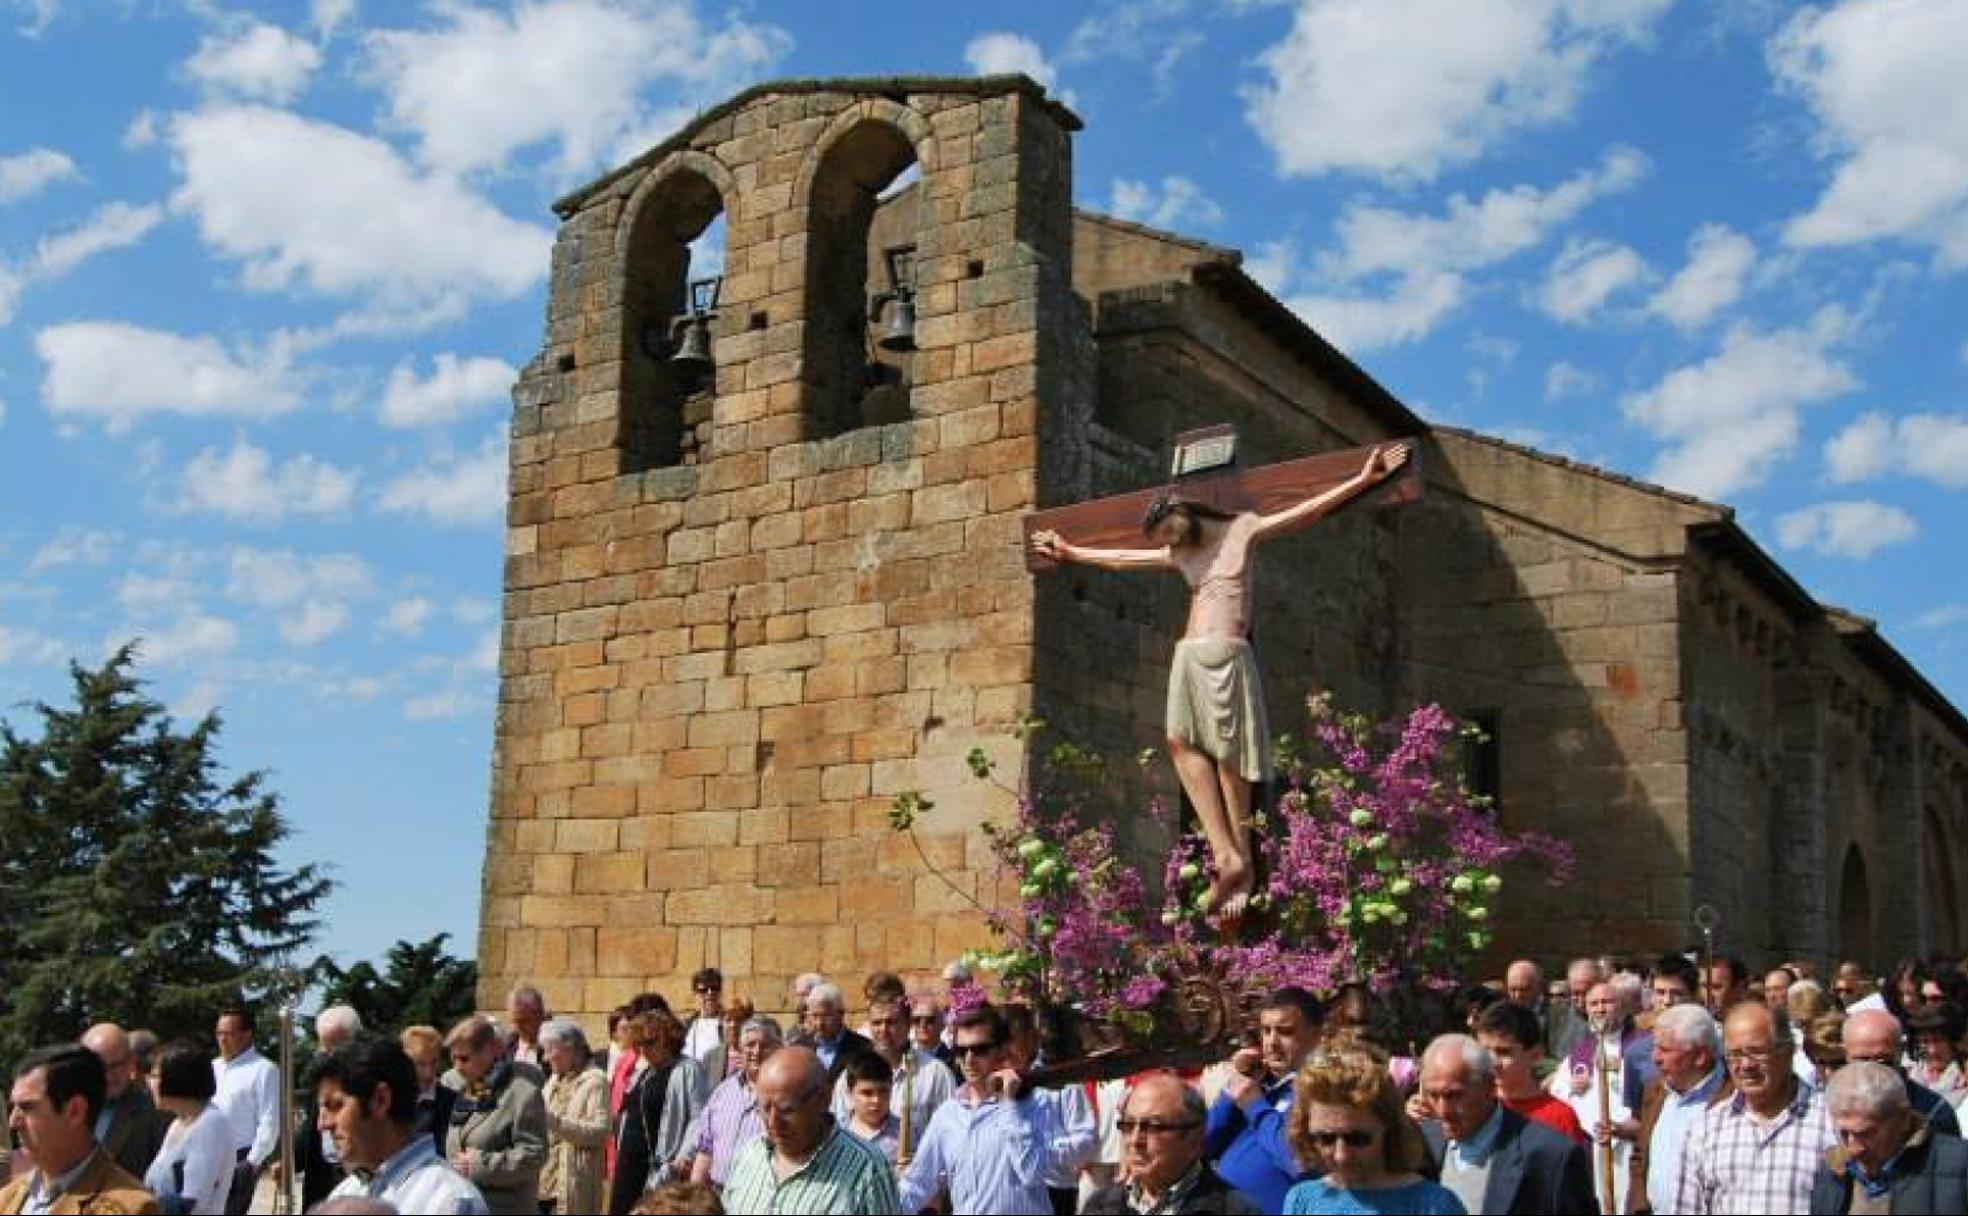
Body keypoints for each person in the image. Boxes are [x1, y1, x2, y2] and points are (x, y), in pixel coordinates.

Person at [1030, 441, 1409, 917]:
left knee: (1231, 756)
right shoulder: (1181, 554)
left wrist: (1363, 480)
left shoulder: (1241, 530)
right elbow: (1122, 560)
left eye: (1169, 527)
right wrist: (1069, 552)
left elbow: (1302, 512)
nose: (1169, 540)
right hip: (1188, 655)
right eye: (1163, 535)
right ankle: (1224, 852)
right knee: (1179, 742)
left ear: (1184, 509)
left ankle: (1243, 862)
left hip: (1229, 655)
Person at [899, 1004, 1096, 1214]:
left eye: (980, 1050)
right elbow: (917, 1185)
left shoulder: (1035, 1104)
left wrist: (1010, 1105)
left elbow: (1031, 1171)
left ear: (1002, 1051)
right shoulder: (947, 1115)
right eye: (961, 1051)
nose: (968, 1059)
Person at [1675, 1001, 1834, 1214]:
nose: (1746, 1065)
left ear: (1787, 1052)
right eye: (1735, 1055)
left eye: (1757, 1052)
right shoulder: (1705, 1128)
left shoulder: (1830, 1122)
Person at [1414, 1034, 1597, 1216]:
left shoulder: (1551, 1156)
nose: (1442, 1110)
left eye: (1454, 1096)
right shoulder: (1421, 1145)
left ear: (1489, 1086)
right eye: (1433, 1095)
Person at [316, 1033, 488, 1215]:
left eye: (335, 1106)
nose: (322, 1124)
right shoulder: (344, 1195)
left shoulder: (449, 1201)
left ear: (381, 1100)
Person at [1281, 1048, 1463, 1215]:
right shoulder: (1302, 1201)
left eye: (1358, 1139)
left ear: (1389, 1128)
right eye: (1326, 1139)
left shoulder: (1434, 1205)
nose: (1341, 1155)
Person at [720, 1047, 901, 1214]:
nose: (773, 1122)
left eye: (786, 1109)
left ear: (823, 1099)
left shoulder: (867, 1169)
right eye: (764, 1108)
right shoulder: (749, 1155)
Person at [1, 1043, 161, 1215]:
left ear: (75, 1111)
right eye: (13, 1107)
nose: (13, 1122)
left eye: (27, 1107)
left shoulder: (129, 1208)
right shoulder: (7, 1197)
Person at [1205, 987, 1326, 1213]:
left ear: (1316, 1036)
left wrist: (1254, 1106)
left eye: (1285, 1031)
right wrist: (1233, 1088)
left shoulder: (1325, 1089)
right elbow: (1200, 1145)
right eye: (1266, 1031)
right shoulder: (1259, 1085)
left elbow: (1298, 1161)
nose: (1271, 1042)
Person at [1081, 1074, 1261, 1215]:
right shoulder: (1101, 1206)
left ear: (1194, 1140)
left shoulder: (1233, 1209)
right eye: (1128, 1125)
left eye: (1153, 1127)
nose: (1135, 1141)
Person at [1809, 1060, 1968, 1214]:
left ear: (1903, 1118)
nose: (1854, 1148)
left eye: (1866, 1134)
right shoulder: (1834, 1173)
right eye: (1844, 1134)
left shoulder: (1957, 1164)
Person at [1624, 1004, 1729, 1216]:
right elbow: (1641, 1155)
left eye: (1665, 1050)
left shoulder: (1733, 1098)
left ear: (1700, 1056)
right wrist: (1637, 1204)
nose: (1655, 1058)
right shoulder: (1654, 1091)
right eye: (1655, 1048)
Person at [443, 1015, 548, 1216]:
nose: (457, 1066)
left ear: (489, 1051)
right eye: (453, 1058)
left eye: (464, 1058)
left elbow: (535, 1155)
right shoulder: (469, 1087)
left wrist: (480, 1165)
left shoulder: (522, 1091)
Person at [611, 1009, 706, 1216]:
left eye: (650, 1042)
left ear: (668, 1039)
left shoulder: (688, 1069)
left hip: (659, 1169)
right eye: (639, 1044)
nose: (643, 1049)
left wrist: (684, 1155)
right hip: (630, 1165)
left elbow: (699, 1117)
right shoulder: (646, 1072)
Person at [684, 1016, 781, 1189]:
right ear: (739, 1049)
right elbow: (705, 1151)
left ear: (779, 1049)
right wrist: (695, 1196)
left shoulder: (786, 1096)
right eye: (750, 1045)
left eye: (765, 1045)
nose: (756, 1051)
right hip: (717, 1195)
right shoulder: (722, 1092)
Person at [1473, 1002, 1586, 1144]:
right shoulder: (1473, 1109)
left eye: (1504, 1052)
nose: (1493, 1062)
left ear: (1535, 1054)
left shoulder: (1559, 1117)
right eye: (1484, 1051)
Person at [142, 1040, 233, 1215]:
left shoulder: (210, 1124)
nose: (149, 1083)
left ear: (177, 1079)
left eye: (154, 1076)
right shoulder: (178, 1123)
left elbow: (191, 1203)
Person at [1842, 1008, 1962, 1136]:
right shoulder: (1831, 1106)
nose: (1873, 1071)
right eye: (1862, 1061)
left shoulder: (1933, 1111)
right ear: (1846, 1055)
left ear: (1900, 1051)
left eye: (1884, 1062)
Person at [79, 1024, 170, 1185]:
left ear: (131, 1062)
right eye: (99, 1067)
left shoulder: (155, 1110)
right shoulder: (68, 1104)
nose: (107, 1076)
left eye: (115, 1066)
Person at [293, 1004, 364, 1209]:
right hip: (323, 1178)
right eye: (323, 1047)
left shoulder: (371, 1080)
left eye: (334, 1047)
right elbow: (311, 1126)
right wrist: (290, 1160)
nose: (327, 1054)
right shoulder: (319, 1077)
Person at [209, 1007, 278, 1216]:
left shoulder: (264, 1069)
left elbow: (270, 1119)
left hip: (239, 1158)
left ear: (247, 1034)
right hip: (206, 1153)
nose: (222, 1039)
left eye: (228, 1034)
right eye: (218, 1033)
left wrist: (252, 1162)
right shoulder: (212, 1067)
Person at [537, 1019, 606, 1216]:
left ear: (570, 1050)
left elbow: (600, 1133)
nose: (545, 1058)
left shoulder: (595, 1081)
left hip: (571, 1185)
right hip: (542, 1186)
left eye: (550, 1050)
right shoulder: (553, 1080)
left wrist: (555, 1122)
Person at [399, 1025, 456, 1157]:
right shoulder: (392, 1101)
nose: (428, 1073)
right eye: (420, 1064)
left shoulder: (453, 1102)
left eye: (434, 1062)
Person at [837, 1051, 901, 1166]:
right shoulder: (836, 1134)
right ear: (850, 1093)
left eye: (883, 1092)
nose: (876, 1100)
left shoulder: (907, 1133)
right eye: (867, 1093)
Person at [802, 984, 873, 1085]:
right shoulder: (801, 1046)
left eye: (825, 1016)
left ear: (841, 1014)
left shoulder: (864, 1048)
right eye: (814, 1016)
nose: (819, 1023)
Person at [1908, 1001, 1968, 1108]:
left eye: (1939, 1041)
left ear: (1957, 1041)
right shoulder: (1909, 1079)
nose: (1932, 1051)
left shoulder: (1964, 1080)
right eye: (1924, 1041)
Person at [681, 970, 726, 1077]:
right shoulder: (685, 1026)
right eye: (703, 990)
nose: (710, 993)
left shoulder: (729, 1024)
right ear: (694, 994)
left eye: (715, 988)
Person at [505, 986, 548, 1072]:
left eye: (523, 1021)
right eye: (514, 1021)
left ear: (540, 1015)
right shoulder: (507, 1047)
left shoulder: (556, 1048)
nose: (518, 1027)